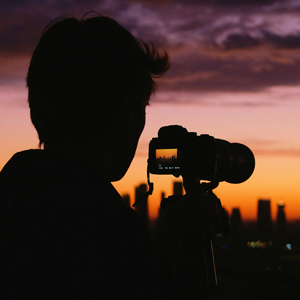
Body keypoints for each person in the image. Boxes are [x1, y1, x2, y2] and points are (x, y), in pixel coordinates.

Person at [0, 14, 223, 299]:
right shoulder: (107, 230)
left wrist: (156, 255)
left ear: (36, 110)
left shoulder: (13, 197)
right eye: (143, 106)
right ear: (130, 109)